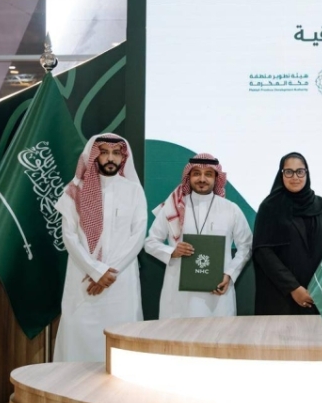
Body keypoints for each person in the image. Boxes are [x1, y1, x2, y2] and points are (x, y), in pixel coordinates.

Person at [53, 133, 147, 362]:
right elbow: (69, 236)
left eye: (116, 153)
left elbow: (138, 236)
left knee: (122, 334)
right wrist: (95, 270)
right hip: (83, 278)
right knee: (78, 336)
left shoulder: (134, 191)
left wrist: (108, 272)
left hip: (120, 280)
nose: (110, 158)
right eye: (104, 152)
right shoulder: (74, 191)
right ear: (93, 156)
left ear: (123, 158)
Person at [145, 154, 252, 319]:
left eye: (208, 174)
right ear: (188, 177)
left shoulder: (231, 209)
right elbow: (150, 242)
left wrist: (230, 274)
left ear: (216, 178)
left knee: (216, 333)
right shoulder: (173, 207)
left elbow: (246, 246)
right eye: (196, 174)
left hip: (217, 291)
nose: (202, 179)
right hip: (180, 293)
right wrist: (171, 251)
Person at [252, 152, 322, 315]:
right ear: (281, 174)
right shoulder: (269, 207)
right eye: (289, 172)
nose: (295, 177)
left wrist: (320, 287)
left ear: (307, 173)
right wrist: (293, 288)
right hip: (280, 296)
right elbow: (263, 252)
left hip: (317, 294)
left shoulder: (321, 206)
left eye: (300, 171)